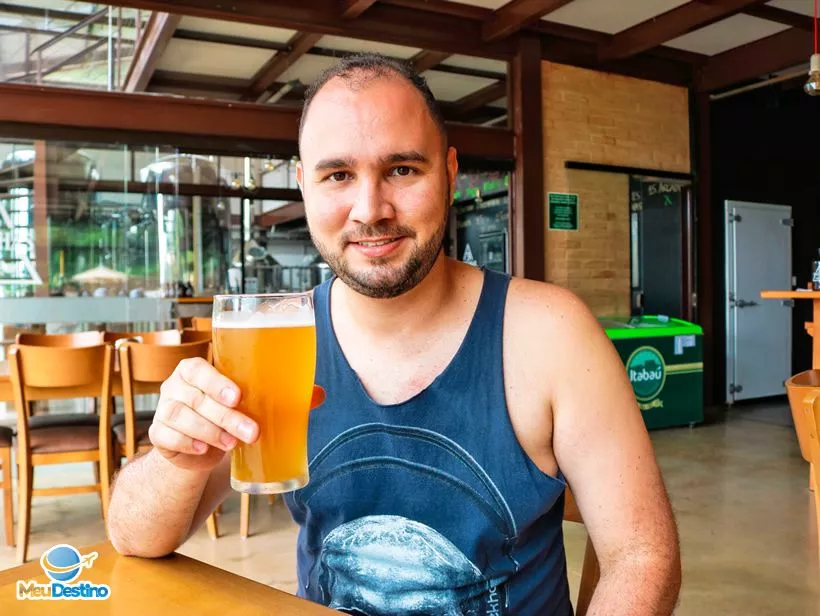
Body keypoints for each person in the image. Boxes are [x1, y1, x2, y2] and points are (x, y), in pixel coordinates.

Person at [107, 53, 681, 615]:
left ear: (451, 174)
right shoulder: (271, 336)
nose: (370, 209)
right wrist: (174, 458)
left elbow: (641, 555)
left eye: (402, 169)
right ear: (305, 185)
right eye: (338, 175)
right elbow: (133, 537)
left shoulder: (551, 333)